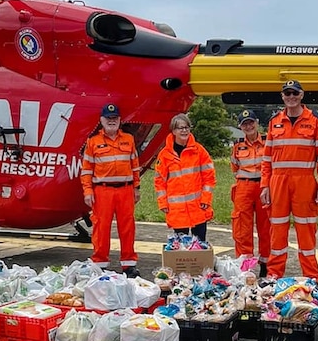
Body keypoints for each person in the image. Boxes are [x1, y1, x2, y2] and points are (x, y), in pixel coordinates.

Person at [260, 80, 318, 281]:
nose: (291, 97)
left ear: (301, 95)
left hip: (305, 183)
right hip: (278, 183)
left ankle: (311, 278)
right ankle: (274, 276)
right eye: (287, 93)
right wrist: (265, 185)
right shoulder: (275, 121)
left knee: (306, 232)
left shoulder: (315, 120)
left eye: (294, 93)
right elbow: (267, 158)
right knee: (277, 233)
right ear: (282, 97)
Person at [80, 103, 142, 277]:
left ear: (120, 120)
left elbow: (135, 165)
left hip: (125, 190)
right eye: (108, 119)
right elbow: (86, 170)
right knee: (101, 228)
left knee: (127, 227)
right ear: (101, 120)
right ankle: (100, 263)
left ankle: (129, 264)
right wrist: (88, 191)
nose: (112, 122)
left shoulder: (128, 139)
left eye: (114, 119)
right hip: (102, 191)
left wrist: (136, 187)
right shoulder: (93, 142)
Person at [154, 113, 216, 241]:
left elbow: (209, 177)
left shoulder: (199, 151)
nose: (184, 130)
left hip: (198, 207)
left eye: (186, 127)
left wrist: (206, 199)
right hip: (178, 210)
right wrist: (163, 203)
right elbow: (160, 181)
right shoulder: (164, 155)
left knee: (199, 246)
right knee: (181, 249)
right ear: (173, 131)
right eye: (180, 128)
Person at [230, 109, 271, 277]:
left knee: (266, 226)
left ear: (257, 123)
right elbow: (234, 167)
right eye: (244, 124)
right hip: (244, 187)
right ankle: (246, 266)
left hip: (264, 187)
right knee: (242, 227)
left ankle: (266, 263)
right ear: (241, 127)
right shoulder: (238, 145)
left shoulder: (268, 142)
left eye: (251, 122)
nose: (248, 126)